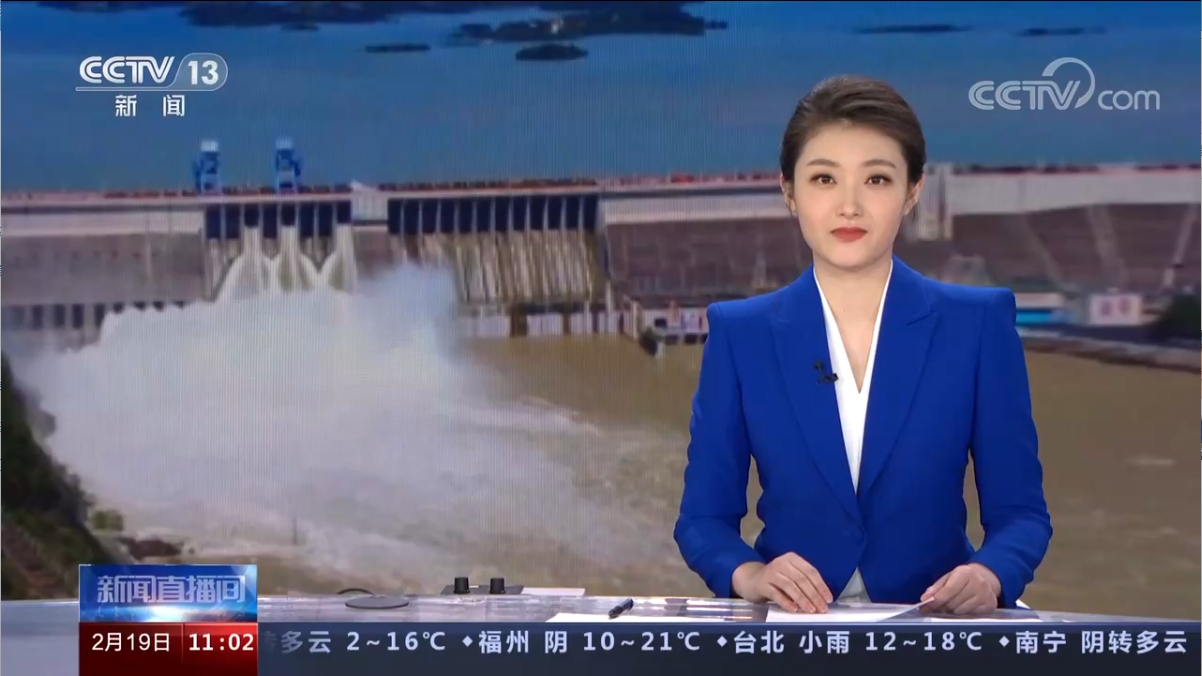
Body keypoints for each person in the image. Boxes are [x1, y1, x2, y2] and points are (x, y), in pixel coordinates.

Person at [673, 76, 1052, 615]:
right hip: (794, 628)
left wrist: (989, 574)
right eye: (824, 178)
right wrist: (752, 575)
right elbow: (703, 520)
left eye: (876, 179)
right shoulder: (741, 334)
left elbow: (1021, 515)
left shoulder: (977, 324)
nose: (848, 206)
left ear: (912, 190)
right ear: (789, 191)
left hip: (935, 626)